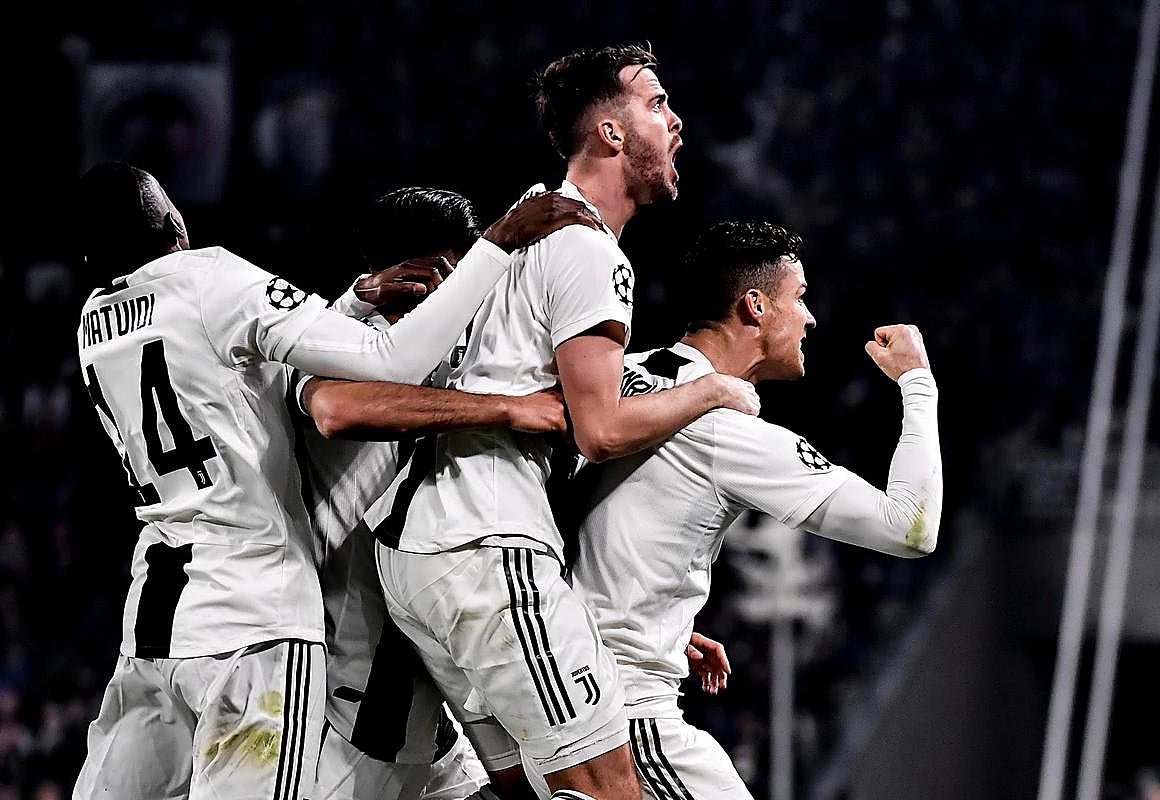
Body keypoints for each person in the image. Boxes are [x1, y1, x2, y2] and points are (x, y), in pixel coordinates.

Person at [72, 162, 597, 800]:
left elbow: (253, 372)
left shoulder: (94, 322)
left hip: (162, 613)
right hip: (262, 618)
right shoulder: (212, 279)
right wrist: (498, 246)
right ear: (176, 227)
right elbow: (359, 383)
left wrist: (353, 299)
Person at [366, 44, 759, 800]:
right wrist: (711, 391)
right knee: (611, 786)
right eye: (657, 104)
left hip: (421, 552)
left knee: (532, 788)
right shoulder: (585, 248)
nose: (676, 122)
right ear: (610, 132)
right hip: (488, 540)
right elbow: (600, 431)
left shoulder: (522, 233)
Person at [567, 221, 944, 799]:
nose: (810, 318)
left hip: (554, 680)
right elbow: (910, 527)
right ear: (755, 306)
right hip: (627, 713)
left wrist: (650, 619)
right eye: (800, 297)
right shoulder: (726, 429)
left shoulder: (613, 381)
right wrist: (918, 384)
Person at [297, 187, 560, 800]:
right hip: (361, 682)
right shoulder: (334, 346)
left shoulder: (455, 359)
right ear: (426, 275)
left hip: (428, 663)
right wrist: (505, 409)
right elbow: (339, 410)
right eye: (463, 275)